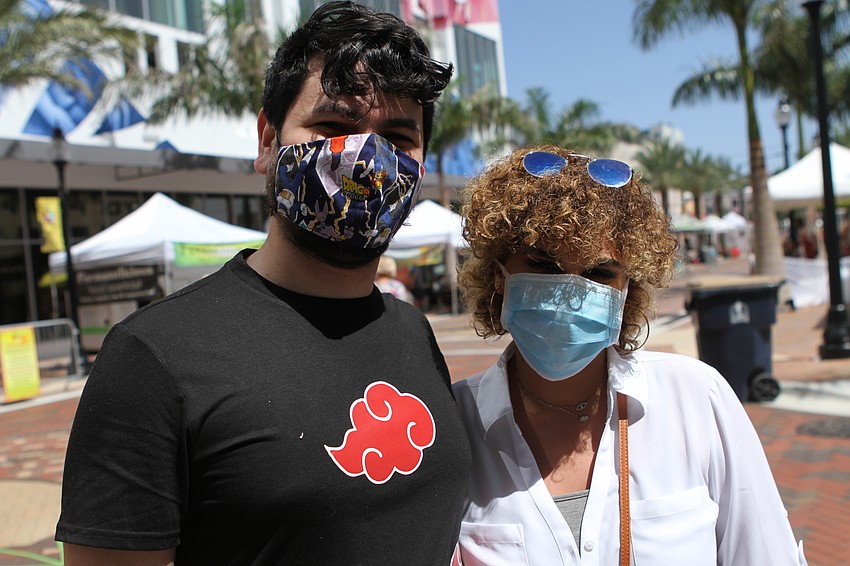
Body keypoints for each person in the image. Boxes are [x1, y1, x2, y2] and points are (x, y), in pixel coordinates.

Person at [55, 3, 471, 564]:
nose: (368, 159)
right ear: (268, 139)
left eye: (398, 137)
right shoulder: (152, 358)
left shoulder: (411, 330)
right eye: (333, 126)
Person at [451, 146, 807, 564]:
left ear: (626, 291)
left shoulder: (695, 398)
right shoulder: (452, 423)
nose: (570, 291)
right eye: (544, 264)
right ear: (499, 275)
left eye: (599, 273)